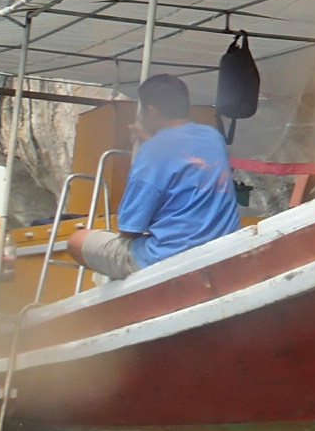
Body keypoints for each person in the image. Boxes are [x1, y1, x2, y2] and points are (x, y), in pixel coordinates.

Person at [67, 73, 241, 282]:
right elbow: (182, 157)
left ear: (151, 111)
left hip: (169, 257)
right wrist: (152, 140)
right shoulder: (213, 137)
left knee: (77, 241)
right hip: (221, 247)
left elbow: (129, 229)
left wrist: (150, 144)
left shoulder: (152, 152)